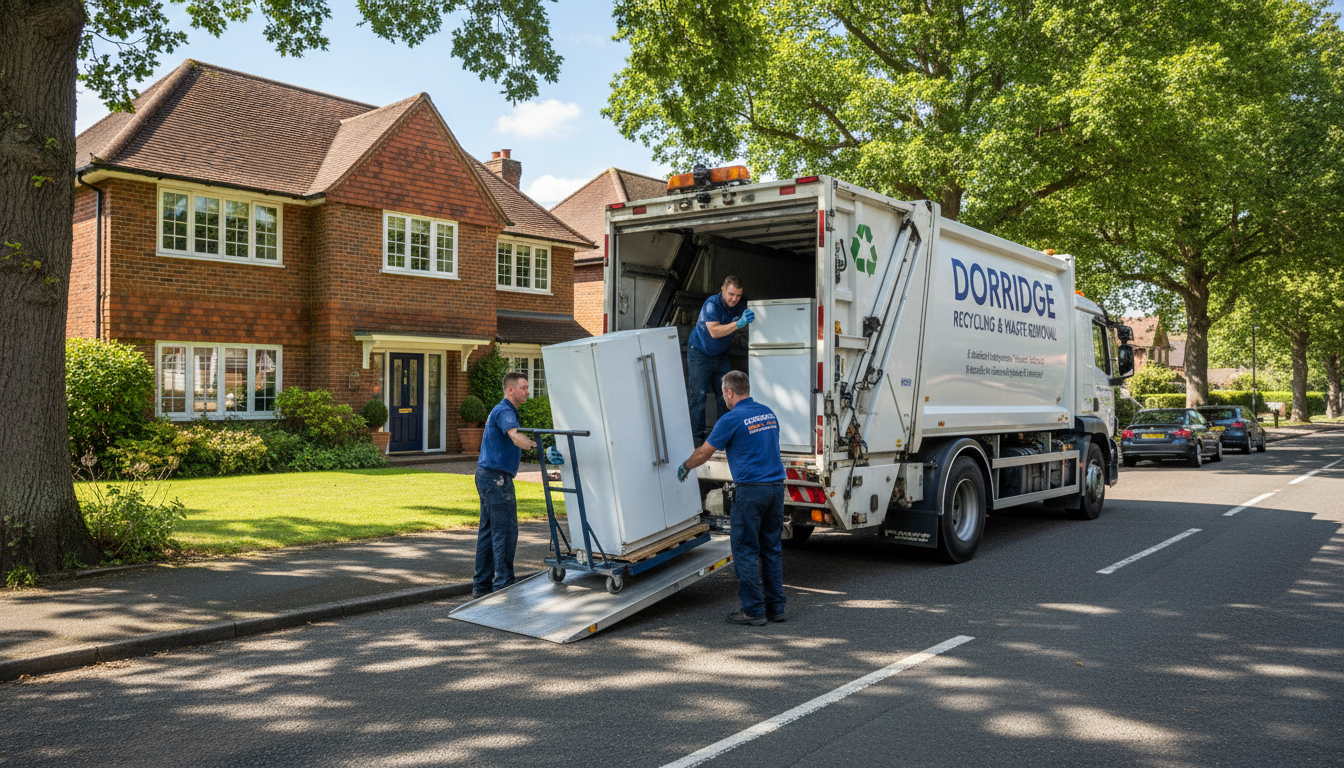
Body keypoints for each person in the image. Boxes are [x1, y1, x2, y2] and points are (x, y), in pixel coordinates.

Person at [677, 371, 786, 626]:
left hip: (750, 490)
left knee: (746, 549)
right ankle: (776, 608)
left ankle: (753, 611)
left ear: (729, 392)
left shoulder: (731, 418)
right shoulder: (768, 413)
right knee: (771, 549)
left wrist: (685, 466)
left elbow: (704, 453)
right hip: (775, 489)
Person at [472, 371, 537, 599]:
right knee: (505, 532)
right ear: (511, 390)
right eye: (524, 387)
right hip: (497, 480)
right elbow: (514, 435)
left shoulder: (500, 410)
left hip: (487, 476)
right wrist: (536, 447)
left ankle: (481, 587)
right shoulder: (505, 411)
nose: (527, 391)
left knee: (489, 533)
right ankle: (504, 588)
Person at [687, 275, 755, 441]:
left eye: (738, 295)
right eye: (731, 294)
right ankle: (696, 437)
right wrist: (739, 324)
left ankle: (724, 433)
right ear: (722, 289)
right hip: (700, 352)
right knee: (699, 395)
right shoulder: (712, 304)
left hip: (720, 354)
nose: (734, 299)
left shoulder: (739, 305)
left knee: (726, 394)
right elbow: (714, 331)